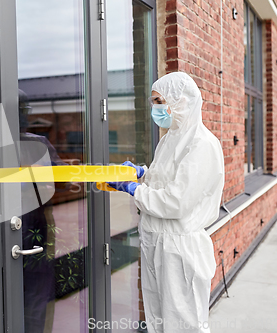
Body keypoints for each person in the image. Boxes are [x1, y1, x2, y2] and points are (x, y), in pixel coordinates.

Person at [108, 71, 224, 333]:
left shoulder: (201, 144)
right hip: (156, 242)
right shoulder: (170, 139)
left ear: (180, 101)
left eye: (159, 101)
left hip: (179, 250)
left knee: (183, 324)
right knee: (158, 319)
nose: (156, 108)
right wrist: (143, 174)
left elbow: (176, 201)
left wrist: (134, 190)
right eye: (154, 103)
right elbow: (166, 181)